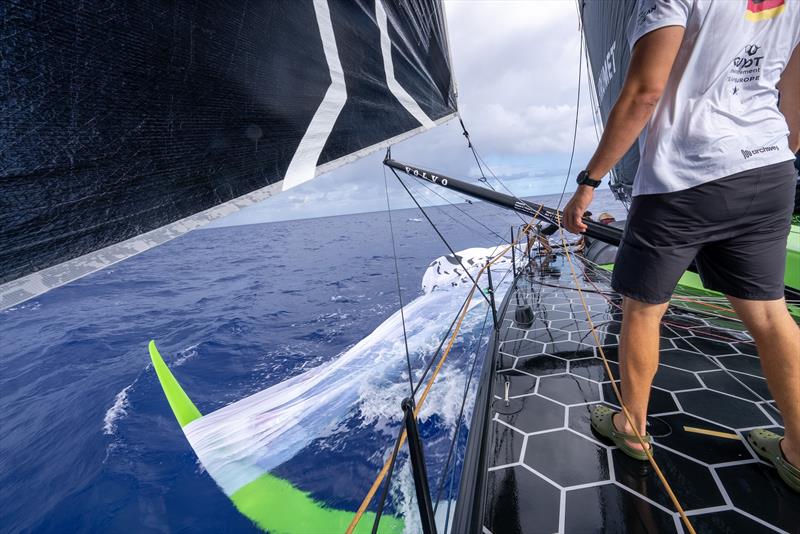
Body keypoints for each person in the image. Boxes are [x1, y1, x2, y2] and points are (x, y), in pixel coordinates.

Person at [562, 0, 800, 492]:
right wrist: (770, 153)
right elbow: (794, 96)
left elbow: (643, 93)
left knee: (643, 310)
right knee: (771, 315)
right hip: (769, 168)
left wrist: (589, 183)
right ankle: (798, 452)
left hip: (684, 177)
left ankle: (632, 428)